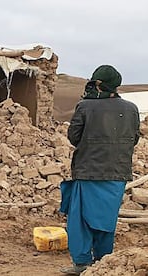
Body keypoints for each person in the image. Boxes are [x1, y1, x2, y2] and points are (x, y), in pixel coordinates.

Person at [59, 65, 140, 275]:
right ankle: (104, 263)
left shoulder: (84, 106)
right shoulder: (131, 109)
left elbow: (74, 137)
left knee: (81, 221)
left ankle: (82, 264)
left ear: (97, 84)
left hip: (88, 173)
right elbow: (135, 139)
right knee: (106, 220)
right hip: (118, 174)